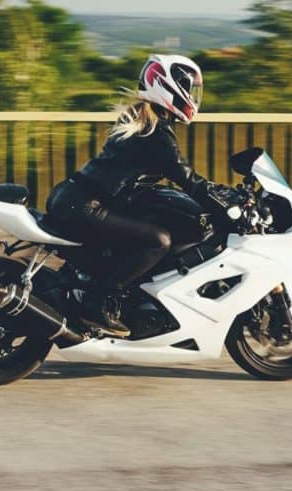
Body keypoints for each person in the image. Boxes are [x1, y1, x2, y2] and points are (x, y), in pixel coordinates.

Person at [46, 54, 242, 338]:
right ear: (168, 85)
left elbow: (176, 177)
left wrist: (220, 190)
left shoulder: (146, 121)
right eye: (190, 88)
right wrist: (227, 205)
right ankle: (98, 301)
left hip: (79, 200)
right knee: (157, 240)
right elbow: (186, 178)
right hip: (85, 206)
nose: (193, 96)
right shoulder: (155, 132)